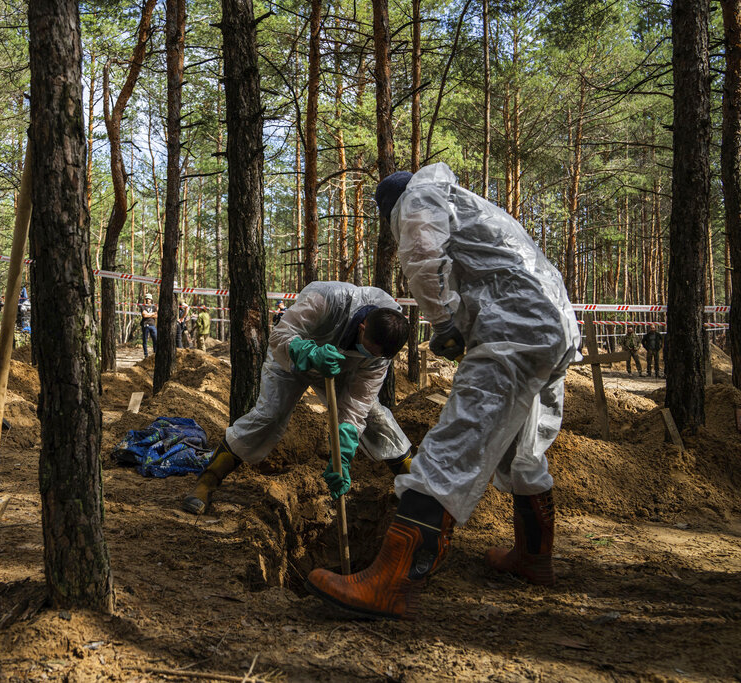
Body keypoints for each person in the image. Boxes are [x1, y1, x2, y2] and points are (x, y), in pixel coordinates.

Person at [305, 164, 581, 619]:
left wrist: (443, 323)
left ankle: (391, 583)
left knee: (454, 444)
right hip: (554, 326)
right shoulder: (467, 204)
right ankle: (533, 556)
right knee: (523, 450)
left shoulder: (417, 197)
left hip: (513, 331)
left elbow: (421, 253)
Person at [182, 280, 415, 515]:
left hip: (341, 370)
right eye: (369, 350)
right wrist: (309, 353)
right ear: (363, 327)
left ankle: (416, 492)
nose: (370, 357)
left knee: (376, 420)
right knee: (270, 416)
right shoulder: (329, 299)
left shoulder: (382, 351)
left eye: (376, 356)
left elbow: (358, 403)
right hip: (292, 357)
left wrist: (342, 452)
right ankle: (207, 481)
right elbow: (280, 336)